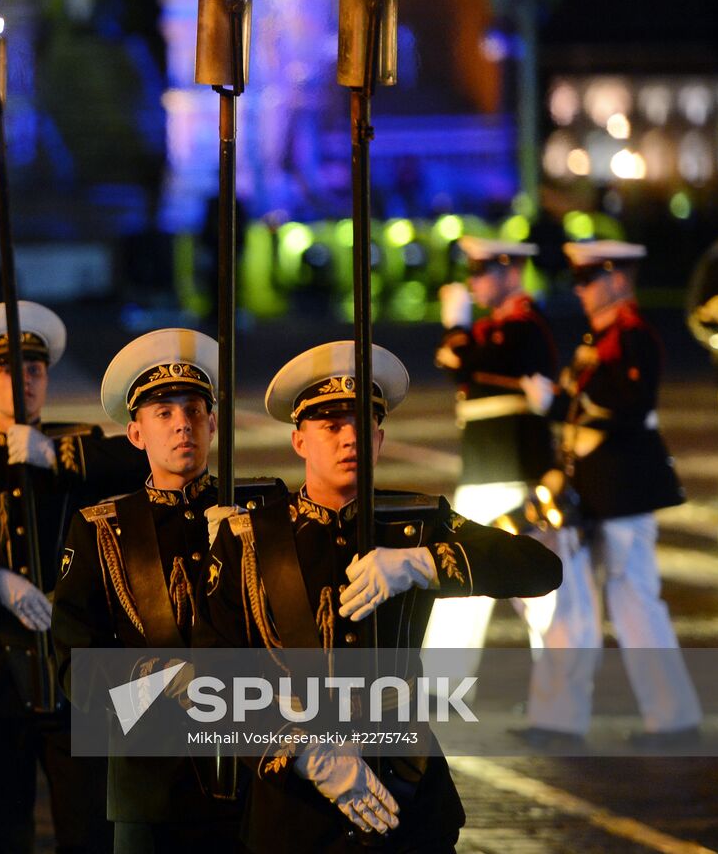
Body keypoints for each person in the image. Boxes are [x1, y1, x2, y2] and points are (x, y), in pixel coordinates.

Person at [202, 340, 562, 852]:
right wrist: (305, 753)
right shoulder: (249, 538)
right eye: (331, 426)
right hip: (297, 813)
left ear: (381, 438)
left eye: (362, 425)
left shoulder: (413, 524)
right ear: (300, 440)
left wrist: (424, 563)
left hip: (408, 794)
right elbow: (213, 672)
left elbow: (539, 567)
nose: (349, 439)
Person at [0, 301, 146, 854]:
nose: (24, 382)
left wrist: (58, 455)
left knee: (91, 831)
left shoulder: (75, 450)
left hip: (76, 683)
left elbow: (143, 462)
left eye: (35, 370)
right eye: (9, 371)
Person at [52, 328, 245, 851]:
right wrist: (164, 682)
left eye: (194, 409)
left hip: (250, 785)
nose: (183, 424)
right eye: (163, 413)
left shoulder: (255, 519)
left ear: (214, 423)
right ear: (136, 434)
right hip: (151, 788)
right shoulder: (99, 529)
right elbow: (73, 664)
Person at [517, 240, 701, 748]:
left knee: (635, 602)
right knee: (571, 604)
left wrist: (561, 400)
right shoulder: (598, 337)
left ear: (619, 279)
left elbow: (625, 403)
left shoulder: (633, 335)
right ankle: (557, 720)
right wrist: (560, 405)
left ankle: (674, 720)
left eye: (589, 279)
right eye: (578, 280)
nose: (580, 289)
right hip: (590, 489)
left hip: (625, 489)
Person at [423, 236, 559, 665]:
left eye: (483, 272)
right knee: (460, 575)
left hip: (518, 470)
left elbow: (464, 360)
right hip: (484, 469)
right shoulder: (495, 329)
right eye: (473, 272)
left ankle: (559, 710)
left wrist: (456, 328)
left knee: (542, 596)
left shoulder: (524, 326)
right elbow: (457, 363)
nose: (474, 281)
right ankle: (439, 686)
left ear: (513, 273)